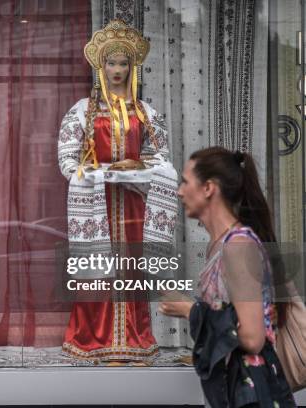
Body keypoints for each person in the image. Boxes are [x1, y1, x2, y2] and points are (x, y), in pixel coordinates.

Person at [58, 19, 179, 361]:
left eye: (123, 63)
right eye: (111, 62)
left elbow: (162, 158)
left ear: (132, 67)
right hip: (96, 203)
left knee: (131, 268)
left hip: (132, 203)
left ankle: (133, 338)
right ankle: (93, 338)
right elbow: (68, 160)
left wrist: (138, 166)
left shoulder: (146, 113)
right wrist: (97, 172)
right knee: (96, 269)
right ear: (100, 66)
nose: (117, 70)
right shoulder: (82, 110)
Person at [159, 147, 296, 407]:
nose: (179, 191)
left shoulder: (238, 246)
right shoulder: (222, 245)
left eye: (186, 182)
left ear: (208, 188)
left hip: (252, 394)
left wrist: (191, 310)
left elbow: (253, 338)